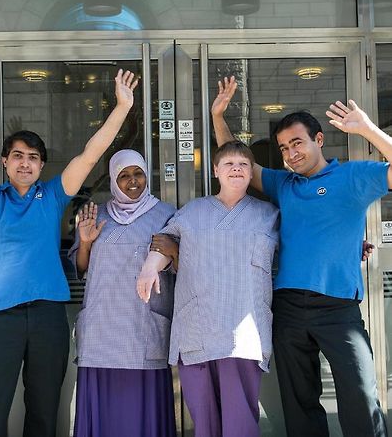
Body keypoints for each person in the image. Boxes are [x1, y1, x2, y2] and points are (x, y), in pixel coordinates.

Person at [0, 57, 138, 437]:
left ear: (41, 165)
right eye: (18, 156)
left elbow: (91, 154)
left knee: (46, 410)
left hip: (49, 317)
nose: (26, 163)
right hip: (1, 318)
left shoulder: (51, 196)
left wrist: (123, 107)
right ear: (5, 161)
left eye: (33, 158)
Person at [211, 76, 390, 437]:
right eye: (283, 147)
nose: (291, 153)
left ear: (318, 140)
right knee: (300, 404)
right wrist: (218, 115)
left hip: (338, 308)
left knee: (360, 398)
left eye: (297, 143)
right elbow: (237, 162)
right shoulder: (284, 184)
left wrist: (368, 129)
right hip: (289, 306)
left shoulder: (353, 176)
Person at [137, 141, 279, 437]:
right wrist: (151, 265)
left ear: (251, 172)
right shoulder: (192, 212)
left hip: (244, 334)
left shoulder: (270, 215)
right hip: (197, 329)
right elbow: (164, 241)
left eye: (243, 164)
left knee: (240, 422)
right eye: (228, 163)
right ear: (216, 170)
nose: (236, 169)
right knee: (205, 422)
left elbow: (306, 239)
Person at [68, 149, 177, 437]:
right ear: (114, 180)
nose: (132, 181)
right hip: (102, 331)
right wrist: (86, 242)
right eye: (124, 175)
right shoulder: (96, 214)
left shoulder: (167, 214)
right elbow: (80, 268)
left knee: (142, 415)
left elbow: (180, 263)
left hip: (144, 328)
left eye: (138, 173)